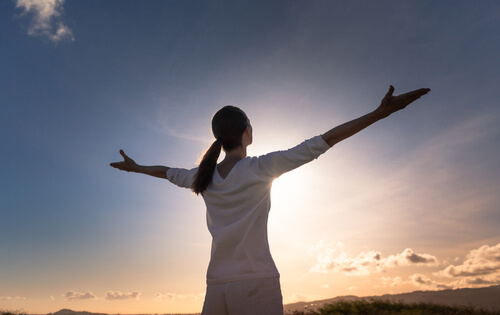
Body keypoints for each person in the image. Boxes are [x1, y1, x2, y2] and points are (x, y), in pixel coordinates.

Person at [110, 85, 430, 315]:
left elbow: (166, 171)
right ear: (247, 132)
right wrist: (378, 114)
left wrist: (135, 167)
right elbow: (325, 140)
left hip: (217, 286)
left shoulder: (202, 177)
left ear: (219, 139)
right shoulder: (260, 168)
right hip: (256, 286)